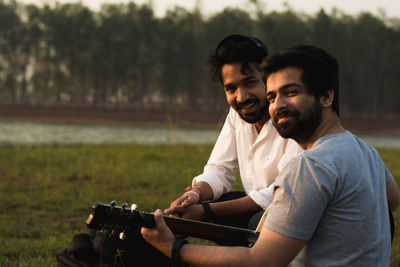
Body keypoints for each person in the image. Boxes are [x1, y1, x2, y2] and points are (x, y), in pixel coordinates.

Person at [142, 45, 400, 266]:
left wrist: (173, 248)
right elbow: (392, 199)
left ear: (326, 96)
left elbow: (262, 261)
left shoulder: (310, 166)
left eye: (292, 92)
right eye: (272, 96)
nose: (279, 105)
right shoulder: (366, 152)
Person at [165, 34, 300, 231]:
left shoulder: (291, 117)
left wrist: (206, 211)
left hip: (292, 214)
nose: (242, 97)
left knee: (262, 222)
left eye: (250, 83)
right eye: (231, 89)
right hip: (261, 209)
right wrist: (195, 194)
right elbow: (219, 169)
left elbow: (280, 194)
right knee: (220, 200)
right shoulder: (238, 115)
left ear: (269, 79)